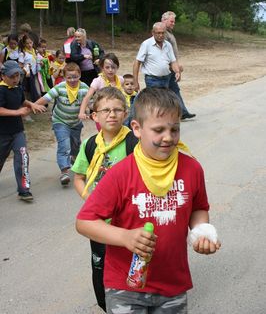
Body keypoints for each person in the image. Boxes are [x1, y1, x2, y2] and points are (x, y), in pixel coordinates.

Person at [76, 87, 221, 314]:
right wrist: (125, 236)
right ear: (137, 128)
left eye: (175, 129)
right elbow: (84, 222)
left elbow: (199, 208)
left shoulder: (192, 168)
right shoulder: (120, 173)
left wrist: (202, 231)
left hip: (172, 284)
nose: (168, 137)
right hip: (125, 284)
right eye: (159, 130)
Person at [72, 86, 138, 312]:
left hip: (131, 222)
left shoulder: (134, 143)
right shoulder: (90, 145)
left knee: (134, 268)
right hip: (100, 225)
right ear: (95, 116)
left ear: (126, 114)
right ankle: (106, 305)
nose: (112, 114)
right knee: (100, 269)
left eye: (118, 110)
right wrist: (89, 199)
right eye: (106, 110)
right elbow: (79, 177)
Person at [35, 62, 89, 186]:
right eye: (69, 77)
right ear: (64, 77)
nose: (72, 80)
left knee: (75, 145)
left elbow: (90, 103)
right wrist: (34, 105)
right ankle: (64, 172)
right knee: (64, 145)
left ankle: (74, 158)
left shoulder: (85, 88)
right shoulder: (60, 87)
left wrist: (88, 112)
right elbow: (47, 98)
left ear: (80, 75)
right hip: (60, 121)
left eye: (75, 76)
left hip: (76, 122)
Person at [0, 61, 46, 201]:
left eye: (17, 76)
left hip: (17, 132)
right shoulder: (1, 90)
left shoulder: (18, 88)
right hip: (2, 134)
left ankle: (24, 190)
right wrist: (17, 112)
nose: (15, 79)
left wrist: (31, 104)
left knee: (22, 157)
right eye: (12, 76)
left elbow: (22, 101)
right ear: (3, 76)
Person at [161, 11, 196, 120]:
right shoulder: (162, 33)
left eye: (174, 22)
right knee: (164, 92)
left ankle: (183, 112)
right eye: (171, 21)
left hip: (172, 66)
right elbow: (164, 53)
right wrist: (175, 67)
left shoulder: (169, 32)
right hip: (166, 69)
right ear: (164, 20)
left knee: (175, 89)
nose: (173, 24)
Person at [133, 22, 180, 91]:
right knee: (155, 100)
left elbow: (173, 61)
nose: (161, 35)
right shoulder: (146, 44)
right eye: (158, 33)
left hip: (166, 79)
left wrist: (177, 72)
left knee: (164, 100)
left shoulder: (168, 45)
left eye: (163, 33)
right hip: (152, 80)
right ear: (153, 32)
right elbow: (137, 63)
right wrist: (135, 81)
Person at [79, 53, 124, 121]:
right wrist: (81, 112)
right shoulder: (98, 81)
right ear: (102, 68)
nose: (110, 70)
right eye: (107, 67)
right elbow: (87, 97)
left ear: (117, 67)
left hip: (115, 113)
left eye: (113, 67)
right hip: (102, 114)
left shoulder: (120, 80)